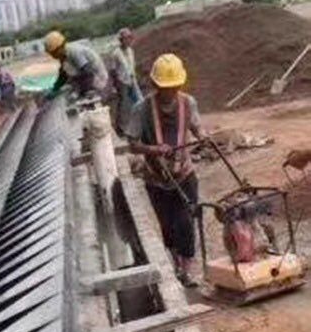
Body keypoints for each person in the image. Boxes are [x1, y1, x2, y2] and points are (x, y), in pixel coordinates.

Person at [127, 53, 204, 287]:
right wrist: (154, 149)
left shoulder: (188, 103)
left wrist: (203, 137)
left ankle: (188, 269)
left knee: (186, 221)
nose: (169, 92)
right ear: (155, 85)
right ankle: (176, 264)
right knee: (168, 224)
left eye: (173, 87)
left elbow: (197, 128)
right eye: (164, 88)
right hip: (157, 179)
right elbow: (132, 143)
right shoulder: (141, 110)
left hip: (184, 174)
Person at [44, 29, 109, 100]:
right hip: (86, 77)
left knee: (73, 92)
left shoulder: (74, 52)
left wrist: (80, 91)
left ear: (60, 47)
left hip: (97, 77)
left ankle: (87, 94)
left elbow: (87, 71)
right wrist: (55, 88)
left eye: (54, 53)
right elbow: (63, 75)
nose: (53, 56)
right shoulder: (63, 55)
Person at [109, 28, 142, 136]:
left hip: (132, 79)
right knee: (123, 105)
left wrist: (135, 77)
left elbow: (131, 66)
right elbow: (113, 70)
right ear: (121, 40)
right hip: (121, 81)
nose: (128, 40)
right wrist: (115, 84)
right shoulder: (116, 53)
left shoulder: (130, 51)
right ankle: (121, 128)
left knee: (139, 101)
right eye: (126, 38)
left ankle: (140, 123)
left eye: (129, 38)